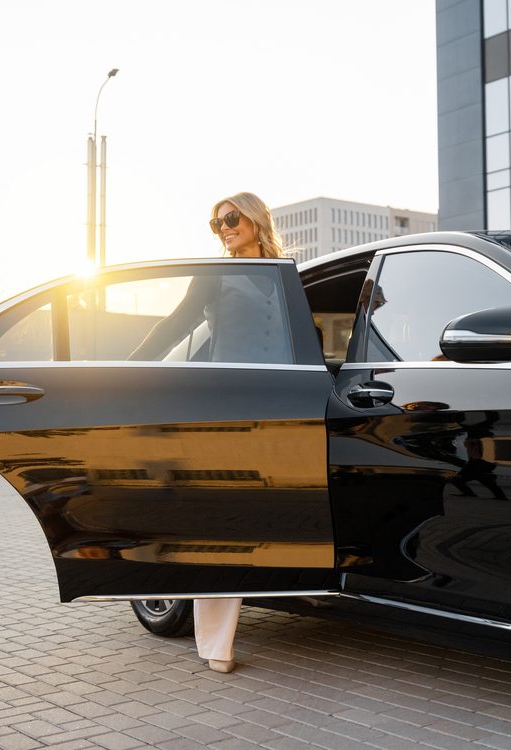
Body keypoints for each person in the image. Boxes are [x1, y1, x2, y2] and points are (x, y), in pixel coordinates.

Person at [191, 192, 286, 673]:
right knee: (223, 523)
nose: (223, 228)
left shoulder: (285, 273)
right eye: (216, 223)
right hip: (225, 408)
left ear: (254, 219)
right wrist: (120, 368)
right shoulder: (213, 276)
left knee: (267, 518)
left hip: (280, 411)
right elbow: (175, 324)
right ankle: (215, 643)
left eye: (230, 218)